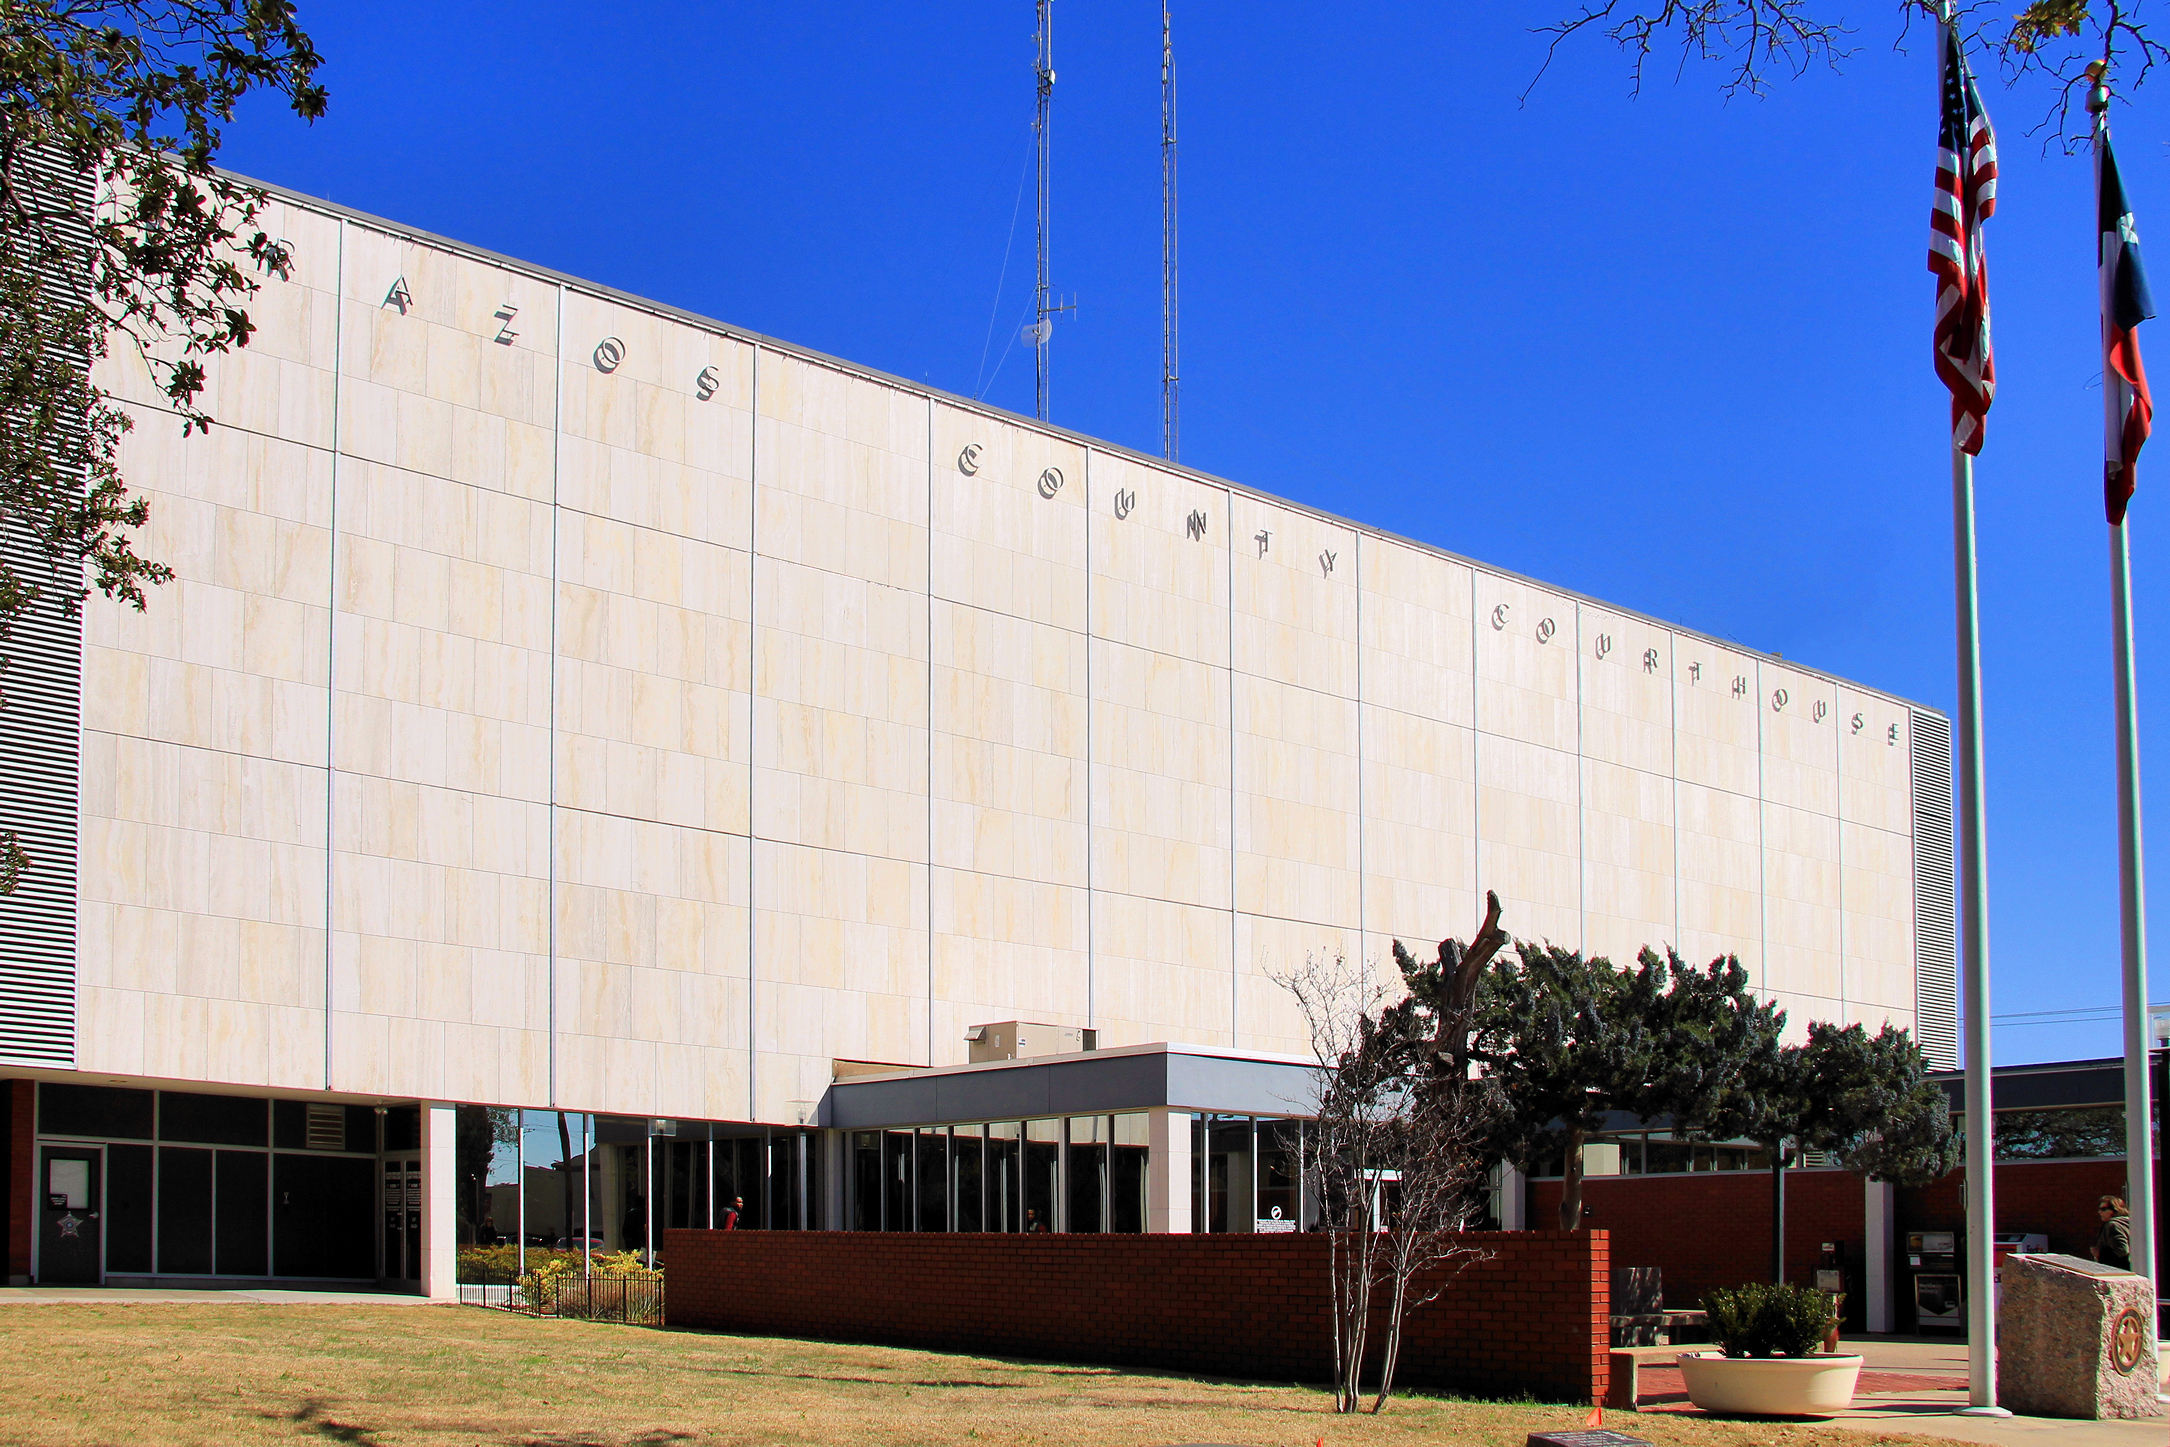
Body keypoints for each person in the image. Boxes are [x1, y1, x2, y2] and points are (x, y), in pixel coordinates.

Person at [2093, 1195, 2133, 1270]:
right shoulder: (2130, 1223)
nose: (2100, 1212)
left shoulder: (2112, 1225)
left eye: (2103, 1209)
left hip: (2115, 1271)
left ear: (2115, 1210)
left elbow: (2122, 1250)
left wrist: (2099, 1253)